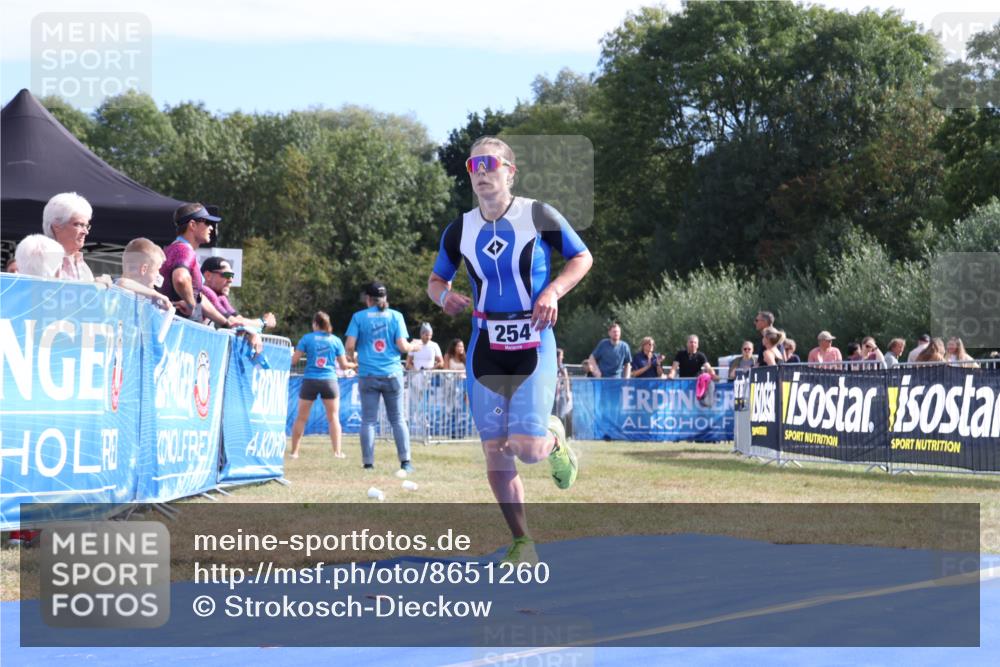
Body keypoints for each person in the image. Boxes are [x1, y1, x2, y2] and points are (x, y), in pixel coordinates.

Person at [426, 135, 592, 564]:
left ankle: (553, 441)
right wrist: (445, 299)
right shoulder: (459, 229)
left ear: (509, 171)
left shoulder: (537, 215)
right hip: (485, 343)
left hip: (534, 338)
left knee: (527, 448)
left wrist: (553, 291)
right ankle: (523, 542)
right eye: (472, 165)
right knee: (495, 449)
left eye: (489, 164)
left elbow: (582, 258)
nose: (481, 172)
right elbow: (435, 281)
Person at [345, 281, 417, 471]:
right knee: (398, 419)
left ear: (368, 299)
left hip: (368, 374)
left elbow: (350, 346)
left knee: (368, 421)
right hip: (392, 374)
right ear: (385, 299)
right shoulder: (396, 316)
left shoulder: (358, 317)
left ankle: (368, 464)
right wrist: (413, 347)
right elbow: (403, 346)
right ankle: (406, 462)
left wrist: (354, 360)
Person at [289, 311, 354, 459]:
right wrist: (354, 364)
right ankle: (337, 453)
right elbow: (344, 366)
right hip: (329, 381)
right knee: (333, 417)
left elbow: (293, 361)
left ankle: (294, 453)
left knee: (301, 418)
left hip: (310, 381)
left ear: (315, 324)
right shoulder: (336, 340)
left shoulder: (307, 338)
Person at [158, 202, 232, 328]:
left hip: (170, 326)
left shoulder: (173, 249)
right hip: (176, 330)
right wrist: (191, 304)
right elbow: (181, 279)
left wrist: (225, 323)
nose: (211, 228)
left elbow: (199, 298)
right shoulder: (184, 250)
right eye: (207, 223)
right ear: (192, 225)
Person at [41, 192, 109, 283]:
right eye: (79, 225)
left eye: (86, 226)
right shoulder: (39, 261)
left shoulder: (82, 264)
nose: (86, 232)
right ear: (57, 225)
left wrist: (99, 288)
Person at [200, 256, 276, 330]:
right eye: (227, 275)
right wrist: (264, 322)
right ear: (208, 275)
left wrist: (253, 332)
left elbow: (239, 319)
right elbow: (234, 322)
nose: (231, 280)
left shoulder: (220, 298)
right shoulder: (206, 293)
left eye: (232, 276)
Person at [116, 238, 172, 309]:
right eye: (157, 269)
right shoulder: (120, 290)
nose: (158, 274)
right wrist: (154, 294)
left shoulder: (141, 296)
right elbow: (122, 283)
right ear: (144, 269)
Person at [553, 348, 573, 438]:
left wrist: (567, 392)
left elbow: (566, 380)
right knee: (553, 413)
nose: (562, 357)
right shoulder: (551, 366)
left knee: (562, 414)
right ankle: (553, 433)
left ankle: (564, 434)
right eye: (561, 356)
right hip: (552, 393)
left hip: (561, 393)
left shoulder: (563, 368)